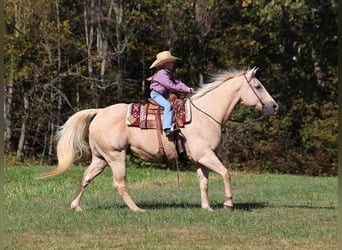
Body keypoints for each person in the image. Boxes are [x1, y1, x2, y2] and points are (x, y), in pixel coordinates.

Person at [149, 50, 193, 137]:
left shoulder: (167, 73)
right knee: (167, 106)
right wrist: (184, 90)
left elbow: (177, 82)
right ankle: (167, 128)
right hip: (156, 95)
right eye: (170, 62)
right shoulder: (161, 73)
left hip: (161, 95)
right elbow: (170, 86)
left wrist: (187, 88)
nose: (173, 63)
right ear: (165, 64)